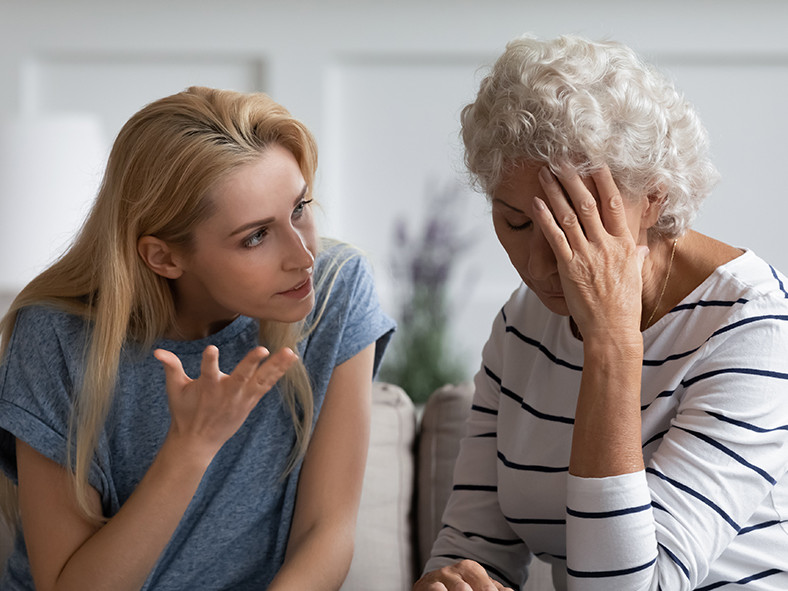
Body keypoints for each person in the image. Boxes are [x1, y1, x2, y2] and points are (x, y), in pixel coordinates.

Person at [415, 35, 788, 591]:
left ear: (654, 200)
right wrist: (453, 582)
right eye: (516, 223)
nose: (542, 265)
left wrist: (611, 342)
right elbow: (473, 547)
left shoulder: (752, 325)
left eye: (574, 226)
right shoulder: (523, 323)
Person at [0, 86, 395, 590]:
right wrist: (190, 450)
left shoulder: (337, 289)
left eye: (299, 208)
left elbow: (326, 532)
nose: (303, 256)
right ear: (164, 257)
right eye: (255, 236)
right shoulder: (55, 335)